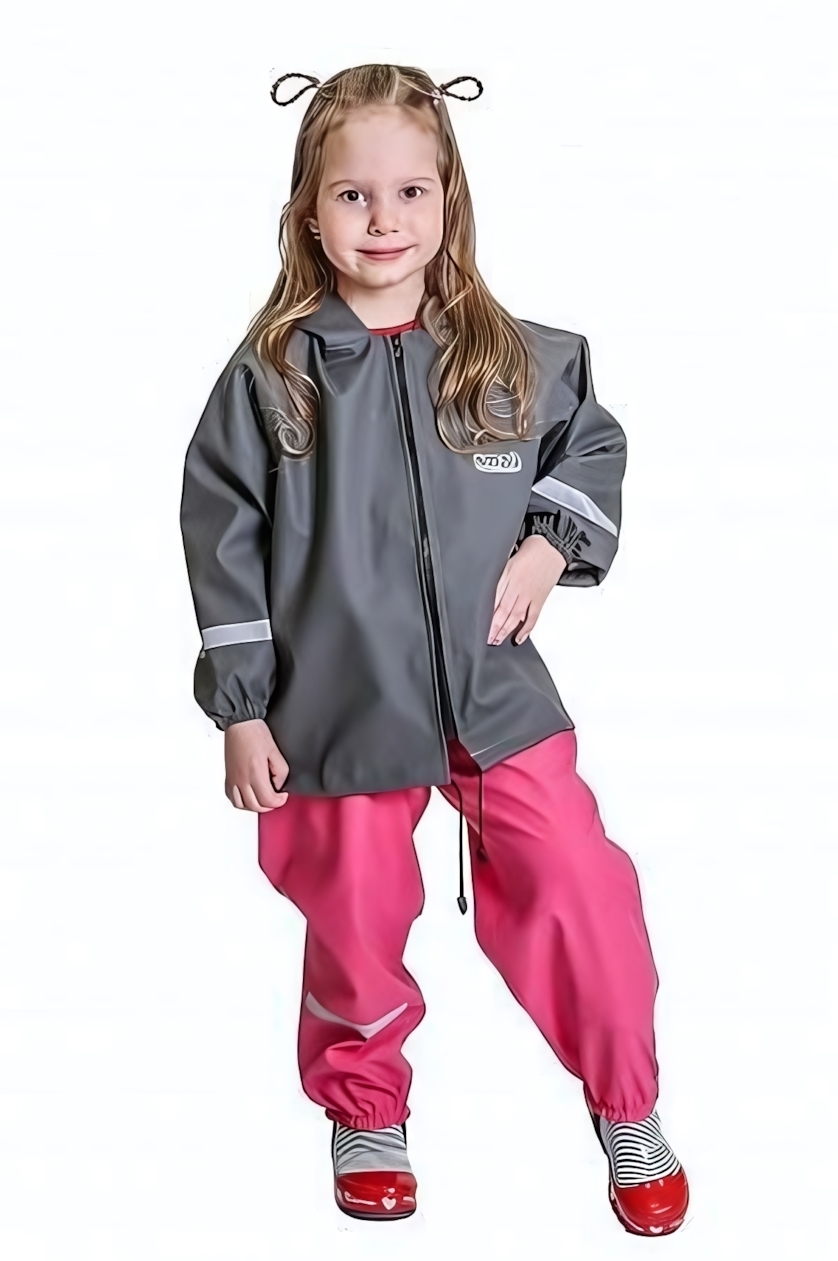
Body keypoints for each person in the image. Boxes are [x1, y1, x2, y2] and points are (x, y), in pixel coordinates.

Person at [179, 63, 689, 1235]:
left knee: (581, 885)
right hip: (335, 702)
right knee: (354, 912)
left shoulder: (513, 356)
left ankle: (628, 1106)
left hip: (493, 690)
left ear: (448, 198)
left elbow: (589, 446)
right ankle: (367, 1111)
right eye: (352, 195)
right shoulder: (272, 377)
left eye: (410, 191)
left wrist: (550, 544)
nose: (384, 219)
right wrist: (242, 708)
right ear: (309, 209)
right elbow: (221, 538)